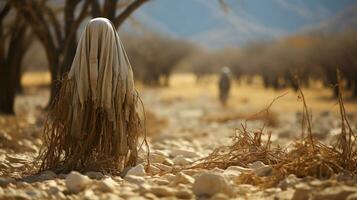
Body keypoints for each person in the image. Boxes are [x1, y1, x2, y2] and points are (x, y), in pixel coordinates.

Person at [38, 18, 141, 173]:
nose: (96, 43)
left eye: (101, 36)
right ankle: (97, 161)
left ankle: (98, 160)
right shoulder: (122, 70)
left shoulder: (78, 71)